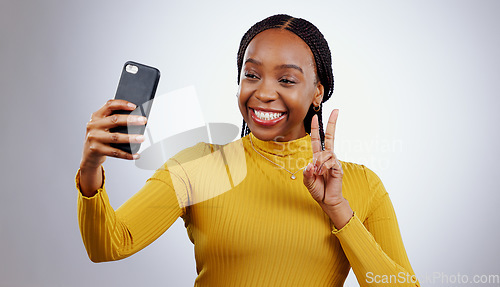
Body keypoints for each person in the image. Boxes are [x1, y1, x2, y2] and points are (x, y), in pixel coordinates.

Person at [76, 14, 420, 286]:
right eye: (252, 75)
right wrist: (91, 169)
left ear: (318, 92)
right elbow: (109, 245)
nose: (264, 93)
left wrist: (339, 209)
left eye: (286, 80)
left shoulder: (362, 186)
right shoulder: (199, 165)